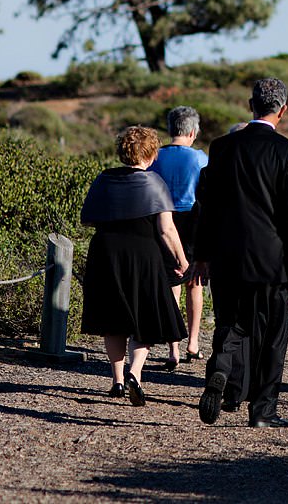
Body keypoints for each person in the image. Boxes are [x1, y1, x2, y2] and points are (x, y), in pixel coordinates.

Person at [194, 78, 288, 428]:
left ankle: (219, 369)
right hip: (273, 260)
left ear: (251, 105)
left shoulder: (221, 147)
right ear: (284, 110)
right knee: (273, 336)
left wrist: (202, 254)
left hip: (227, 255)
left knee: (232, 322)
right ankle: (262, 411)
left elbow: (208, 206)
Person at [80, 126, 188, 406]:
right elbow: (167, 230)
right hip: (143, 255)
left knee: (113, 320)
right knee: (146, 319)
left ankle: (116, 381)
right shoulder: (154, 183)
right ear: (152, 154)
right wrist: (182, 260)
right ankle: (135, 373)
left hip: (106, 252)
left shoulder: (104, 179)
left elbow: (89, 217)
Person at [147, 105, 209, 368]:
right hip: (192, 219)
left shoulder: (155, 156)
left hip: (162, 219)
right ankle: (192, 342)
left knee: (171, 281)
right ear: (193, 131)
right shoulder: (199, 158)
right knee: (194, 282)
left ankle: (173, 346)